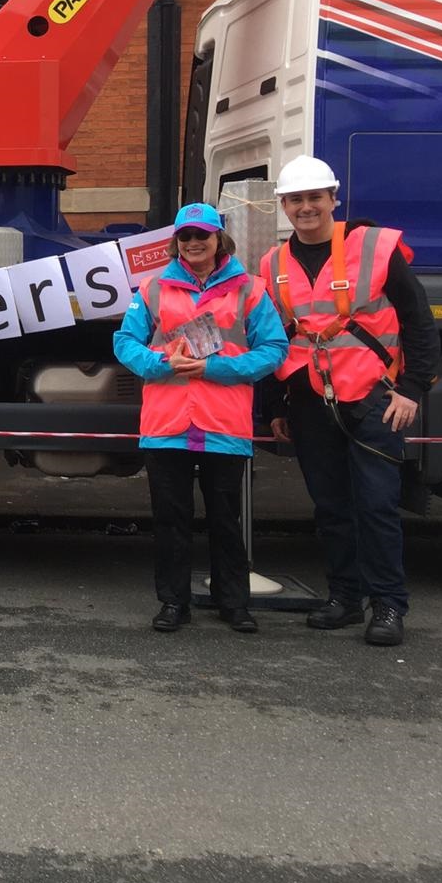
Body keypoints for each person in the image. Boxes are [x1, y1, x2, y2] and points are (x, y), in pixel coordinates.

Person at [260, 156, 440, 647]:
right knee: (331, 506)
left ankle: (387, 605)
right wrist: (276, 407)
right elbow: (274, 338)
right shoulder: (272, 263)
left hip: (375, 397)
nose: (306, 207)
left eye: (315, 197)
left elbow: (419, 321)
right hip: (309, 399)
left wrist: (412, 389)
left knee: (376, 505)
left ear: (333, 199)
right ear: (284, 206)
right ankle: (344, 597)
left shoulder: (376, 247)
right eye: (296, 199)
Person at [114, 202, 287, 634]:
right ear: (177, 242)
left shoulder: (251, 289)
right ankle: (174, 603)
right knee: (170, 521)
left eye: (202, 236)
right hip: (167, 425)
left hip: (222, 425)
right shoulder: (153, 288)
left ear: (218, 240)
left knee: (225, 521)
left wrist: (215, 369)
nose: (194, 243)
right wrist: (160, 365)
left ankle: (234, 604)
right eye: (186, 237)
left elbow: (275, 350)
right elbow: (124, 342)